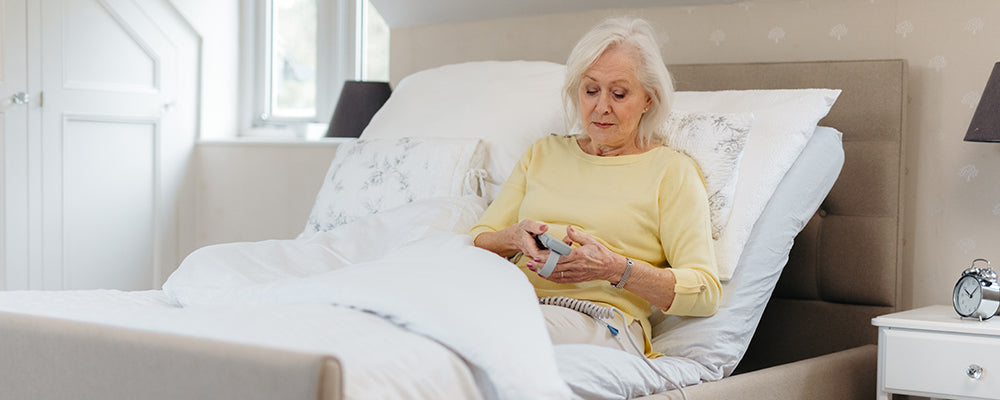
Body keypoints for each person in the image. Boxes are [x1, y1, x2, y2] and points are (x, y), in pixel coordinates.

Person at [469, 17, 721, 357]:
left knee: (480, 332)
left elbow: (705, 292)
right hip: (516, 300)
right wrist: (514, 237)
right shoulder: (543, 154)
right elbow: (478, 239)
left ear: (648, 99)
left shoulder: (671, 171)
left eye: (619, 93)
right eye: (590, 90)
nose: (602, 106)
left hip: (603, 321)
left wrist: (616, 269)